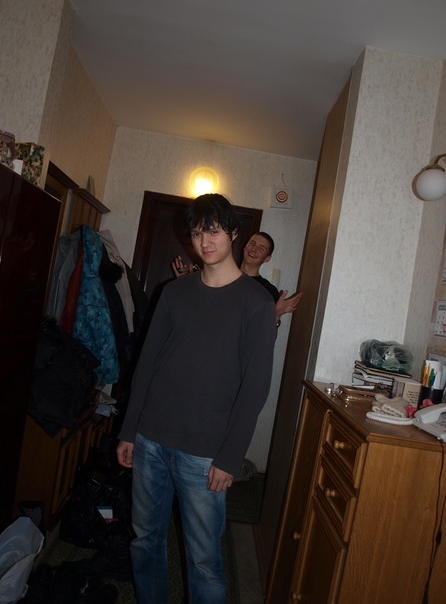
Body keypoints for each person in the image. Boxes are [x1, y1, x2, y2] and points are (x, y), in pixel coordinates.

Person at [116, 193, 276, 604]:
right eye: (198, 232)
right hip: (150, 440)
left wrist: (230, 457)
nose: (205, 241)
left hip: (205, 454)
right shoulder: (173, 293)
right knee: (144, 540)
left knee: (204, 560)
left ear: (234, 233)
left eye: (214, 231)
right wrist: (129, 430)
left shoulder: (257, 303)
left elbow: (255, 387)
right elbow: (146, 365)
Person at [172, 230, 302, 327]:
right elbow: (194, 310)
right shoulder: (218, 275)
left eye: (261, 248)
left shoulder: (267, 291)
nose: (254, 249)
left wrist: (276, 315)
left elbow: (265, 338)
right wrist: (185, 283)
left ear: (267, 258)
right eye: (252, 243)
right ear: (245, 247)